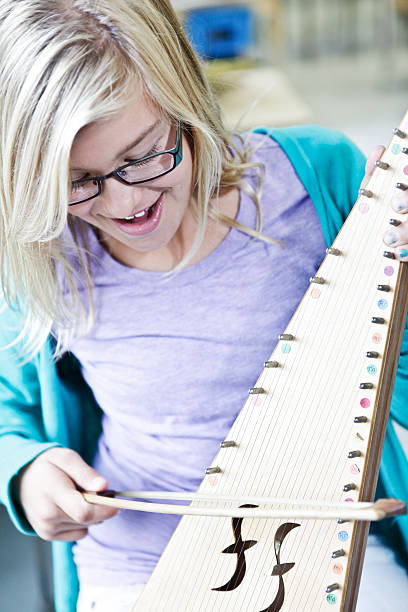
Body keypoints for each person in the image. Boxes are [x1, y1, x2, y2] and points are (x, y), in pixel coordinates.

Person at [0, 2, 407, 611]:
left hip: (318, 539)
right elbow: (8, 408)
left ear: (184, 103)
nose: (124, 203)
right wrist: (27, 470)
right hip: (137, 559)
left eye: (141, 155)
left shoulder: (313, 180)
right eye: (76, 180)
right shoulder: (46, 253)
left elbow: (394, 380)